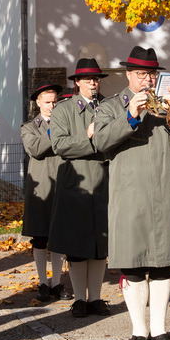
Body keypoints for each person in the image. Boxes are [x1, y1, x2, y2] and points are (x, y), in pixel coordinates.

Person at [93, 46, 170, 340]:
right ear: (128, 75)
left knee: (163, 265)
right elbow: (100, 141)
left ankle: (160, 331)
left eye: (152, 73)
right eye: (141, 74)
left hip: (166, 192)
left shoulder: (167, 108)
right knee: (135, 266)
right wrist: (131, 115)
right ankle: (138, 334)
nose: (148, 79)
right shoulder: (113, 106)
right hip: (131, 196)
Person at [48, 58, 110, 317]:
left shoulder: (108, 106)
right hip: (76, 183)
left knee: (99, 246)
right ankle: (79, 299)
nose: (93, 84)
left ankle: (95, 298)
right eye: (87, 80)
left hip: (104, 181)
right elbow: (59, 145)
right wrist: (87, 136)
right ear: (77, 83)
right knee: (76, 246)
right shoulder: (63, 109)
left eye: (95, 79)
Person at [21, 83, 72, 303]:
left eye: (55, 101)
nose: (52, 106)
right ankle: (42, 281)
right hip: (41, 188)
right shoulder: (29, 127)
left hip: (62, 185)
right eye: (48, 102)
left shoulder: (66, 124)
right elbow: (35, 148)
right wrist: (55, 133)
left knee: (60, 237)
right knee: (40, 239)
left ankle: (57, 282)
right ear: (38, 103)